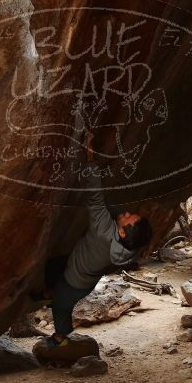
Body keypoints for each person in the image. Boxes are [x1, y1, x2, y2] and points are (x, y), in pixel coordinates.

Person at [42, 131, 152, 347]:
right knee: (53, 268)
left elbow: (94, 195)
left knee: (61, 306)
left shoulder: (103, 230)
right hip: (87, 277)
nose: (127, 213)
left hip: (74, 281)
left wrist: (89, 154)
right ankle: (46, 291)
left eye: (129, 218)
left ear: (121, 233)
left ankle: (60, 338)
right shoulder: (129, 246)